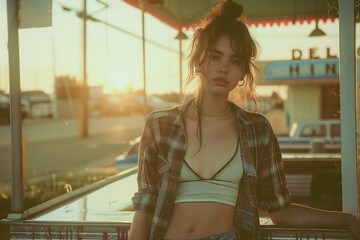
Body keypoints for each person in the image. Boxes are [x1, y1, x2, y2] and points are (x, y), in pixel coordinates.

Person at [128, 0, 360, 239]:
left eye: (235, 60)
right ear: (198, 60)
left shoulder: (257, 130)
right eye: (215, 56)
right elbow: (145, 205)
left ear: (242, 72)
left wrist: (343, 218)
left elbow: (279, 209)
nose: (223, 68)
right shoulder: (159, 125)